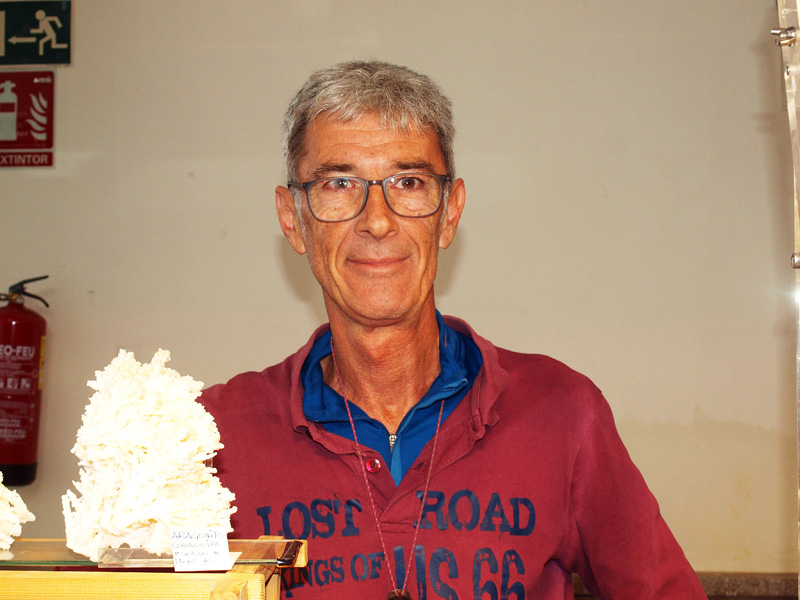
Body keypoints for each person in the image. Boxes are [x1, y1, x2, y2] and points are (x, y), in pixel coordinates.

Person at [200, 60, 708, 600]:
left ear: (449, 212)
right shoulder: (212, 438)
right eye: (339, 183)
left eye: (409, 182)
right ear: (292, 219)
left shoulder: (563, 414)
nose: (377, 219)